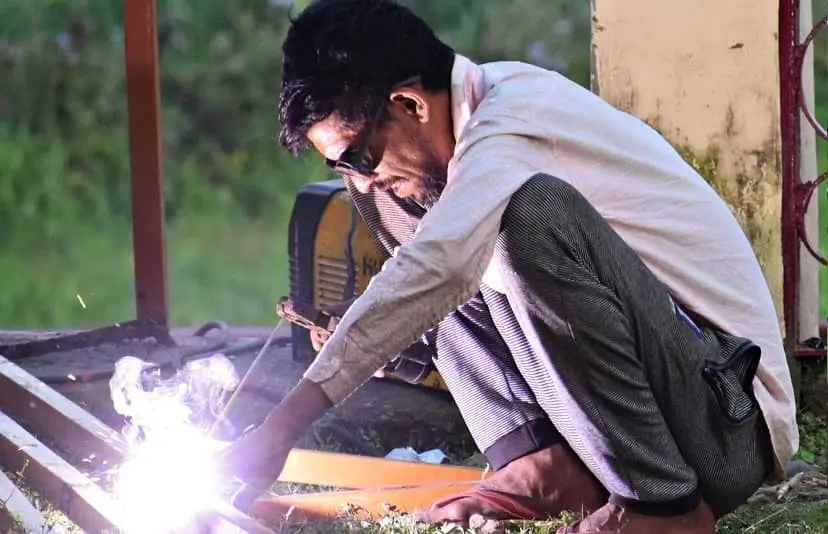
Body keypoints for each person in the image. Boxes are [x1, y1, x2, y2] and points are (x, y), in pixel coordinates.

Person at [216, 0, 799, 532]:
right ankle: (544, 466)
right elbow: (433, 274)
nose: (359, 177)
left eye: (357, 154)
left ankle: (662, 507)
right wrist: (372, 337)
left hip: (723, 421)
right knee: (416, 213)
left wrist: (280, 428)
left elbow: (436, 269)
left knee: (524, 216)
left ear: (411, 102)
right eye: (342, 165)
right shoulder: (438, 168)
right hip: (653, 400)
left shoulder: (514, 119)